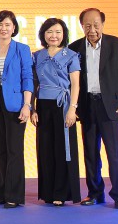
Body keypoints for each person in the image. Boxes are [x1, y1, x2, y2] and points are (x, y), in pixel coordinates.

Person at [69, 8, 118, 210]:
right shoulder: (74, 48)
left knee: (116, 154)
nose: (92, 30)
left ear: (103, 24)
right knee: (90, 154)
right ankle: (95, 193)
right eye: (87, 25)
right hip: (87, 106)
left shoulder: (116, 44)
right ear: (81, 26)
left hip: (112, 108)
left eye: (96, 25)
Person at [0, 10, 33, 208]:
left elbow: (27, 77)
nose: (3, 28)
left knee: (14, 150)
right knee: (1, 149)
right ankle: (2, 193)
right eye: (0, 24)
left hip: (16, 104)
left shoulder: (22, 49)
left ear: (14, 28)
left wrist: (27, 105)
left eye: (7, 25)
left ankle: (15, 196)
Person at [31, 18, 81, 206]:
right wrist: (32, 108)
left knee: (62, 149)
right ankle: (48, 193)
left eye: (58, 32)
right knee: (45, 149)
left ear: (64, 34)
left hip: (63, 105)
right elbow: (33, 83)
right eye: (49, 32)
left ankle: (61, 192)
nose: (54, 36)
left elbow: (75, 84)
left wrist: (72, 109)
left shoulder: (71, 55)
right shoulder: (37, 56)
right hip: (43, 106)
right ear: (43, 34)